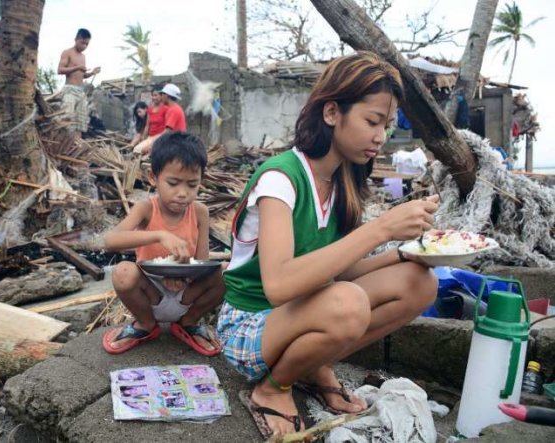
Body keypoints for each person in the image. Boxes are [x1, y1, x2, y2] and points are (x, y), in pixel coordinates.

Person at [216, 51, 439, 438]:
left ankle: (311, 364)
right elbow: (280, 285)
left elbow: (334, 270)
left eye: (387, 125)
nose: (380, 137)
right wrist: (382, 228)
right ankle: (272, 388)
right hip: (249, 326)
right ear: (332, 112)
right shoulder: (281, 179)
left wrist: (400, 253)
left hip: (299, 313)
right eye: (372, 121)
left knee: (419, 281)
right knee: (348, 303)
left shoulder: (341, 184)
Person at [103, 131, 225, 356]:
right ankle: (146, 325)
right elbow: (111, 240)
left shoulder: (200, 212)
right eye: (173, 183)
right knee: (123, 272)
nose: (182, 193)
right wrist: (158, 235)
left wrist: (185, 275)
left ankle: (189, 323)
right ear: (153, 177)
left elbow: (203, 262)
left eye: (192, 184)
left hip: (186, 294)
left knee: (227, 272)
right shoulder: (146, 209)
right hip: (149, 295)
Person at [57, 28, 101, 137]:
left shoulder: (83, 57)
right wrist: (77, 67)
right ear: (76, 39)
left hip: (80, 92)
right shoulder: (67, 52)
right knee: (66, 120)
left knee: (80, 124)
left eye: (87, 44)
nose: (84, 46)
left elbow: (82, 75)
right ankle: (63, 146)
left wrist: (92, 73)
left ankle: (77, 148)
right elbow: (60, 70)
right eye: (82, 43)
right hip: (69, 90)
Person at [133, 88, 167, 154]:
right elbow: (147, 126)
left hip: (161, 137)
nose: (154, 97)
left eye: (156, 95)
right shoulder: (150, 109)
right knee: (137, 150)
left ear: (161, 96)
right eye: (152, 95)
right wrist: (143, 139)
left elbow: (167, 128)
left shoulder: (165, 109)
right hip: (150, 137)